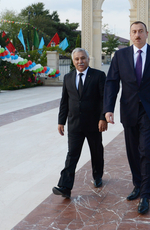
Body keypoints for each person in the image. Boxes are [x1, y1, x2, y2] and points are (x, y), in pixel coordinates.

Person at [104, 21, 150, 214]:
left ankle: (146, 195)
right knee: (133, 151)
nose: (137, 34)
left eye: (141, 31)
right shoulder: (120, 55)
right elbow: (111, 83)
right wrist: (108, 109)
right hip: (129, 110)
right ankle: (138, 184)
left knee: (146, 150)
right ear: (130, 35)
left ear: (147, 33)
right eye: (134, 32)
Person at [52, 48, 108, 199]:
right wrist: (60, 121)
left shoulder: (98, 76)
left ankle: (97, 175)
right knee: (72, 155)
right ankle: (65, 186)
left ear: (88, 59)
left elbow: (105, 99)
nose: (80, 61)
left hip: (94, 123)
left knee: (96, 152)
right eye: (77, 59)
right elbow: (64, 101)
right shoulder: (68, 77)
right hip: (74, 124)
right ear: (73, 61)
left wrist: (103, 118)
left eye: (83, 58)